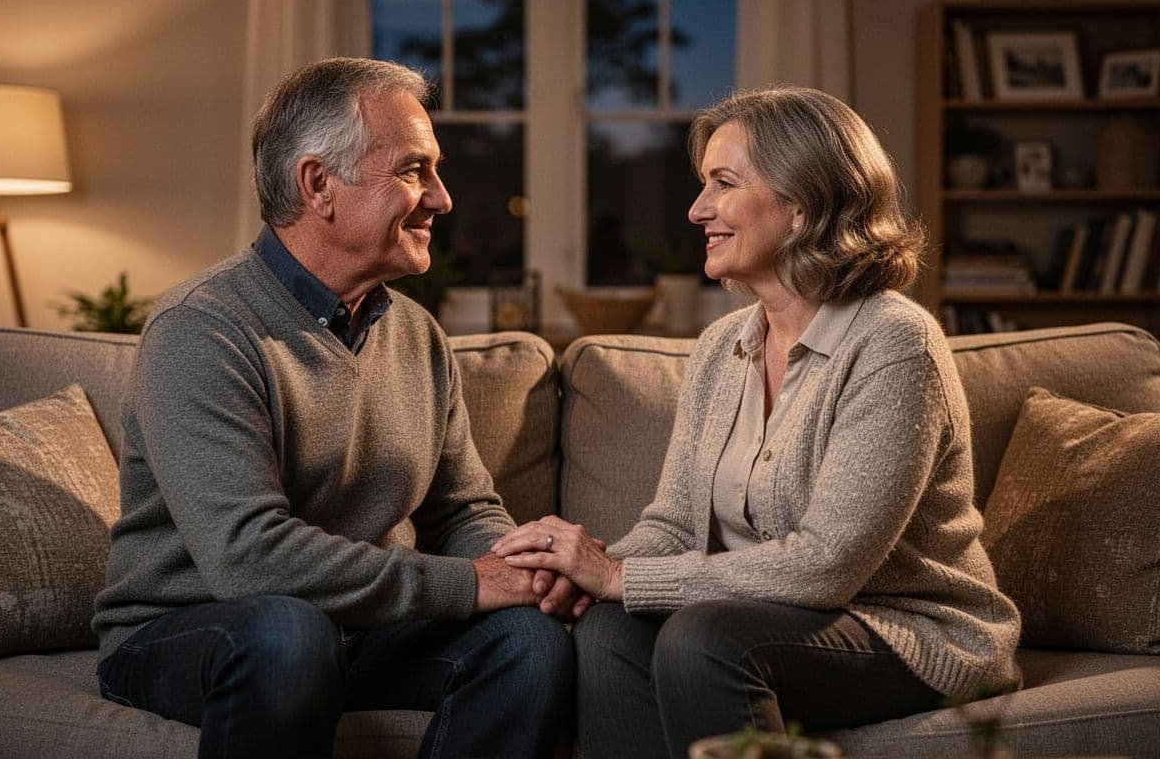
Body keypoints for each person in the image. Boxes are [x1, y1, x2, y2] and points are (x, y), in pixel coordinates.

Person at [492, 86, 1022, 758]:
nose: (696, 209)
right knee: (606, 628)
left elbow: (826, 567)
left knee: (701, 641)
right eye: (702, 184)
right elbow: (676, 523)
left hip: (909, 629)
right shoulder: (723, 347)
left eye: (723, 183)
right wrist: (588, 570)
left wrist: (621, 578)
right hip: (768, 621)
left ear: (802, 206)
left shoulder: (894, 343)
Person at [93, 57, 579, 759]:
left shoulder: (416, 333)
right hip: (191, 627)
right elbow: (249, 559)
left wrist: (522, 569)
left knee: (528, 641)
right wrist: (471, 583)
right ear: (319, 184)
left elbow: (460, 509)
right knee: (289, 634)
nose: (441, 199)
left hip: (353, 626)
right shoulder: (203, 330)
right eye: (414, 171)